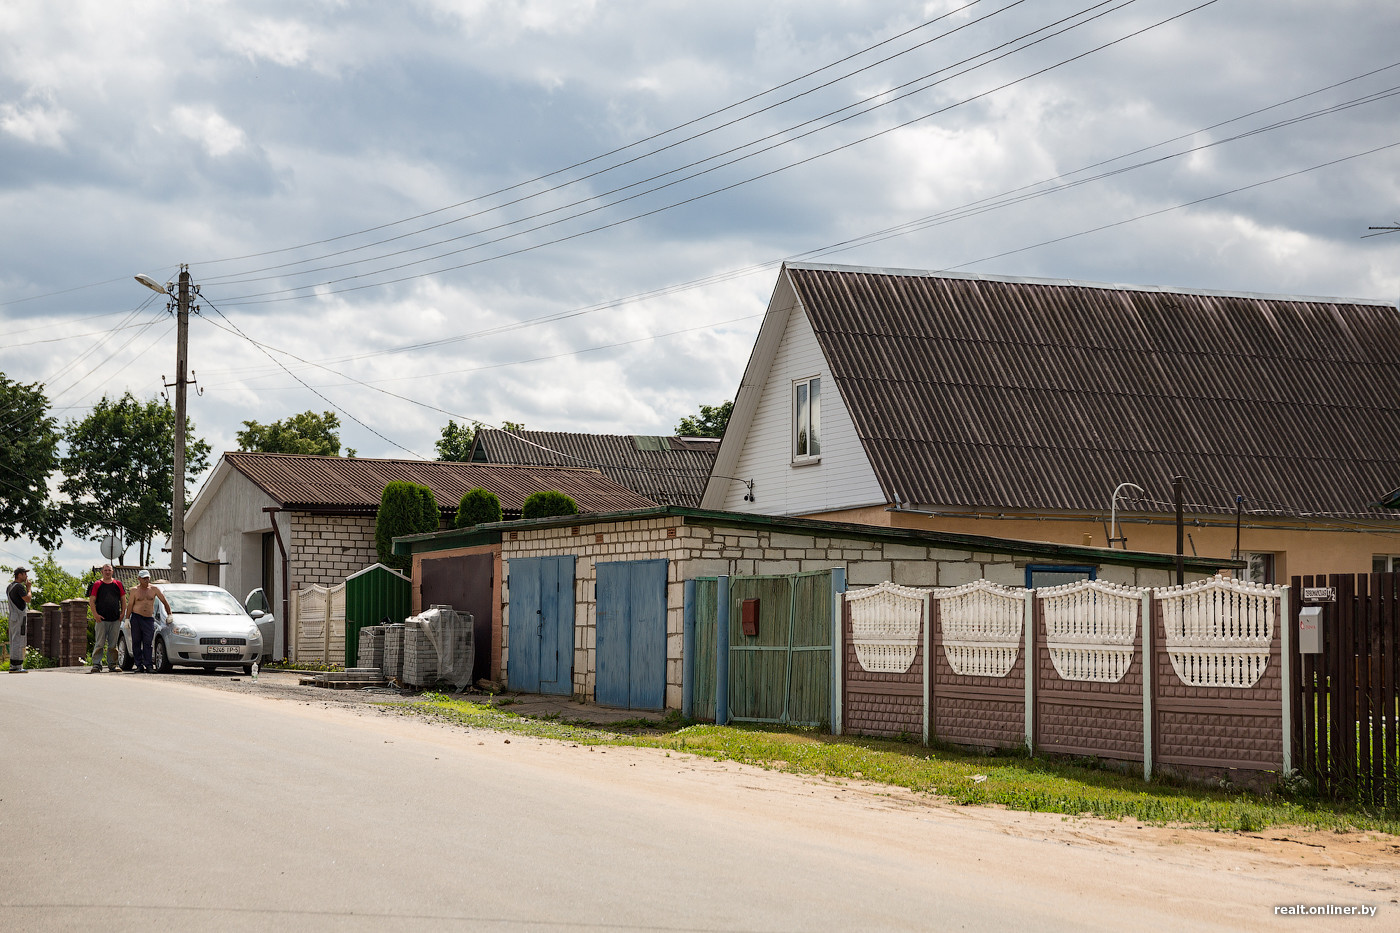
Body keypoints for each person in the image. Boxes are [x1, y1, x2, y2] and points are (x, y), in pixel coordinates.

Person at [124, 570, 171, 674]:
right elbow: (130, 605)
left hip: (148, 618)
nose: (146, 580)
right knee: (136, 642)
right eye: (144, 578)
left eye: (147, 578)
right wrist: (127, 619)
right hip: (136, 618)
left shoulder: (154, 589)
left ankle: (149, 665)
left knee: (148, 642)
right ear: (139, 579)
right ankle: (139, 665)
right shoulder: (134, 590)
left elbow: (164, 601)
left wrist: (169, 614)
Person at [87, 563, 126, 673]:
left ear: (112, 572)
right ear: (102, 572)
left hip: (115, 620)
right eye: (105, 570)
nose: (107, 572)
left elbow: (123, 600)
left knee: (113, 644)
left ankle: (113, 665)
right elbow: (92, 601)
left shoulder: (118, 584)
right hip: (101, 620)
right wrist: (95, 615)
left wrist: (122, 613)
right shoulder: (97, 584)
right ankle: (96, 665)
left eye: (109, 570)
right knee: (99, 643)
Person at [7, 567, 32, 673]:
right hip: (19, 616)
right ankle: (16, 666)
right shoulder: (19, 587)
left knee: (13, 640)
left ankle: (14, 664)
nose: (26, 576)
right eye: (25, 574)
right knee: (19, 639)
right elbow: (28, 599)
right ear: (19, 575)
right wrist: (29, 588)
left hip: (12, 616)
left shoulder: (9, 586)